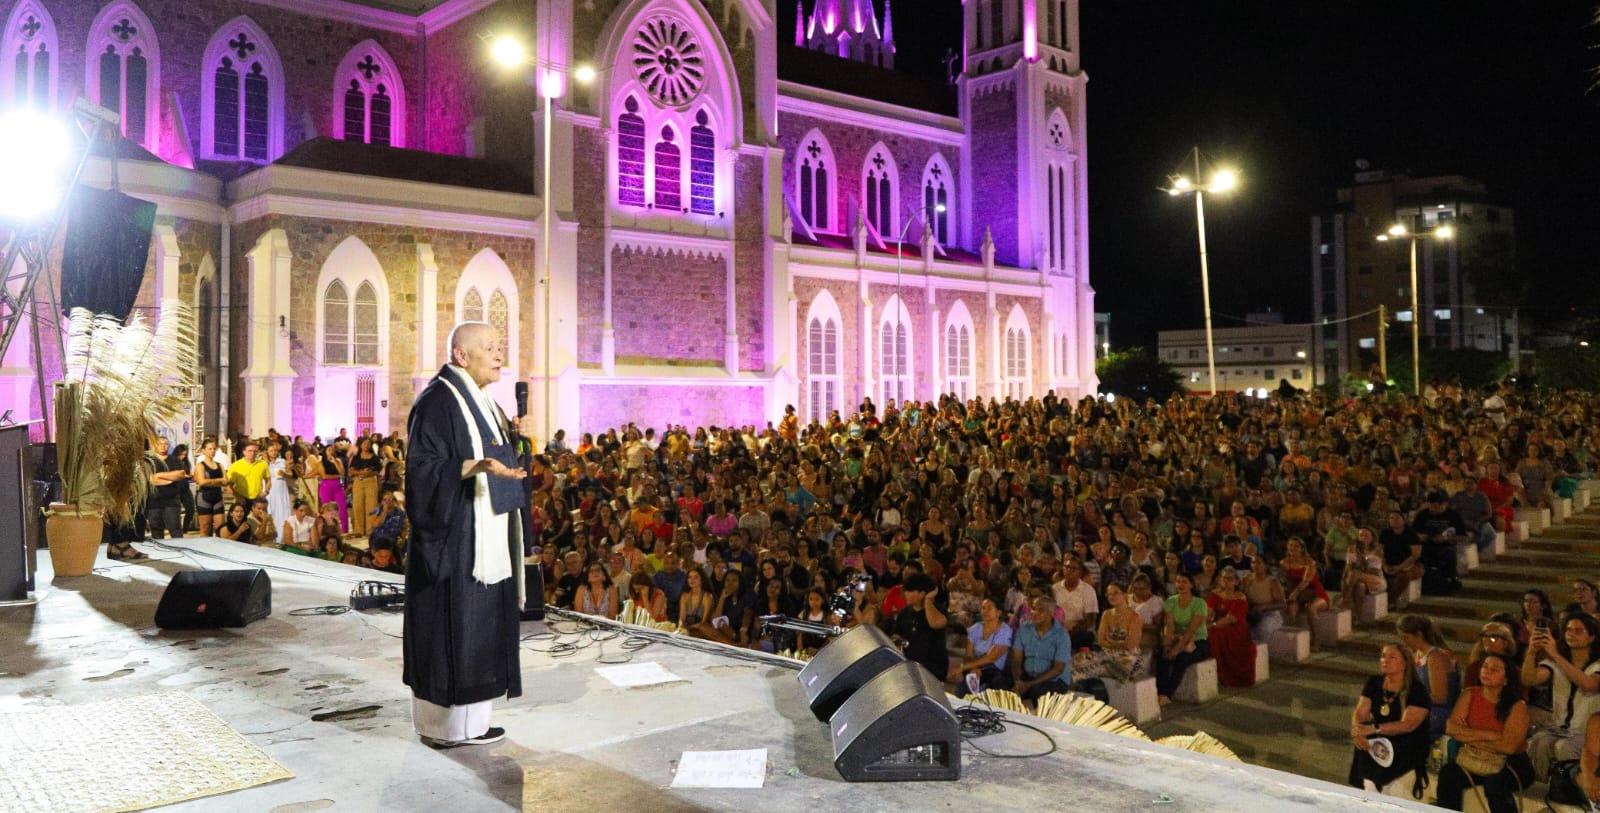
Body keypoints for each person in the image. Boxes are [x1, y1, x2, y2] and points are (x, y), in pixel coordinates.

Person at [402, 322, 532, 750]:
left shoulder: (484, 402)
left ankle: (474, 723)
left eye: (501, 346)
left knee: (482, 626)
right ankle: (443, 729)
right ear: (461, 355)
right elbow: (423, 470)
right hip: (455, 539)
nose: (499, 355)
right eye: (490, 348)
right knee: (453, 627)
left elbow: (491, 459)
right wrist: (474, 467)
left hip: (486, 534)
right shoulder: (438, 401)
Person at [1435, 653, 1533, 813]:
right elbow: (1451, 728)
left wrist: (1468, 736)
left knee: (1496, 785)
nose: (1487, 671)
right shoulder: (1469, 694)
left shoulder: (1517, 706)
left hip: (1512, 763)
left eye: (1494, 669)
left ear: (1506, 679)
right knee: (1448, 774)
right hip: (1474, 756)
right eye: (1485, 667)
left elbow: (1508, 747)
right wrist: (1488, 735)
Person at [1521, 611, 1600, 781]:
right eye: (1568, 630)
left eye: (1578, 631)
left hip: (1586, 733)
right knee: (1538, 742)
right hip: (1560, 729)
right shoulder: (1555, 663)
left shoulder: (1597, 665)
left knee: (1564, 747)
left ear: (1592, 637)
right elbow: (1529, 679)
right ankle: (1542, 789)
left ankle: (1567, 790)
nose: (1571, 634)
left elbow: (1588, 684)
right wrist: (1531, 651)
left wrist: (1555, 654)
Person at [1347, 644, 1431, 799]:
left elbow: (1407, 725)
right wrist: (1357, 731)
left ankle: (1370, 788)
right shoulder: (1374, 682)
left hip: (1407, 740)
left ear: (1405, 663)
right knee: (1365, 737)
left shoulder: (1418, 691)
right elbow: (1361, 712)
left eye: (1391, 657)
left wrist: (1373, 729)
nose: (1385, 660)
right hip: (1380, 735)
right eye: (1383, 656)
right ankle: (1368, 786)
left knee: (1372, 736)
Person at [1397, 614, 1461, 743]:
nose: (1404, 643)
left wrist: (1411, 699)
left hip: (1441, 712)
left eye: (1406, 638)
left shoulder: (1436, 657)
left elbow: (1440, 697)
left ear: (1419, 635)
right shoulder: (1417, 654)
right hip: (1424, 706)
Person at [1009, 594, 1073, 705]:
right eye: (1033, 609)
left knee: (1037, 692)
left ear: (1051, 614)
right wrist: (1017, 681)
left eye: (1040, 610)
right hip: (1028, 677)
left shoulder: (1062, 635)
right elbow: (1016, 659)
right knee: (1002, 685)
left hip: (1054, 680)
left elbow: (1058, 669)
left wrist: (1029, 684)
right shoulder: (1024, 628)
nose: (1035, 613)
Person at [1158, 572, 1210, 705]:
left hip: (1198, 641)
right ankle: (1161, 693)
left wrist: (1177, 649)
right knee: (1163, 657)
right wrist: (1168, 645)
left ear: (1191, 585)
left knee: (1181, 660)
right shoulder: (1171, 601)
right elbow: (1169, 625)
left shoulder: (1199, 603)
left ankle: (1167, 694)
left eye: (1184, 582)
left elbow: (1191, 631)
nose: (1180, 585)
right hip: (1177, 638)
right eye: (1178, 582)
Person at [951, 597, 1013, 695]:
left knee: (982, 692)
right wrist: (972, 668)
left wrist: (963, 667)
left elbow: (991, 657)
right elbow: (968, 655)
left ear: (998, 613)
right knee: (960, 690)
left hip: (994, 673)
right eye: (983, 608)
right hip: (975, 668)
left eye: (989, 608)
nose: (985, 611)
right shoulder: (976, 628)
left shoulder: (1005, 631)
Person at [1205, 569, 1255, 688]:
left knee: (1215, 635)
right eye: (1224, 578)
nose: (1226, 581)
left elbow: (1231, 619)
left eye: (1230, 579)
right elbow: (1209, 612)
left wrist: (1211, 625)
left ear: (1236, 582)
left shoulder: (1240, 597)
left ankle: (1222, 674)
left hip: (1235, 628)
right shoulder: (1214, 594)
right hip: (1217, 624)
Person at [893, 573, 949, 681]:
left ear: (922, 593)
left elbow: (935, 623)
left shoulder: (939, 610)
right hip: (909, 664)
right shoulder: (904, 612)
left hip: (933, 666)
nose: (906, 594)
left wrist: (928, 601)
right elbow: (897, 636)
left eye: (910, 591)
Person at [192, 437, 228, 537]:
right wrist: (219, 481)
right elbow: (202, 482)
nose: (212, 451)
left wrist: (213, 482)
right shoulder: (200, 465)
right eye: (210, 449)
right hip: (204, 497)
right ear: (203, 450)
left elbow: (226, 481)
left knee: (221, 528)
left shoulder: (219, 465)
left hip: (217, 497)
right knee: (205, 528)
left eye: (214, 449)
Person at [226, 440, 269, 508]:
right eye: (250, 451)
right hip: (241, 500)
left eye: (255, 451)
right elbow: (228, 485)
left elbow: (268, 479)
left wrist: (266, 491)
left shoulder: (263, 464)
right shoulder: (236, 465)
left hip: (257, 500)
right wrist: (238, 497)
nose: (252, 453)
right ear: (244, 452)